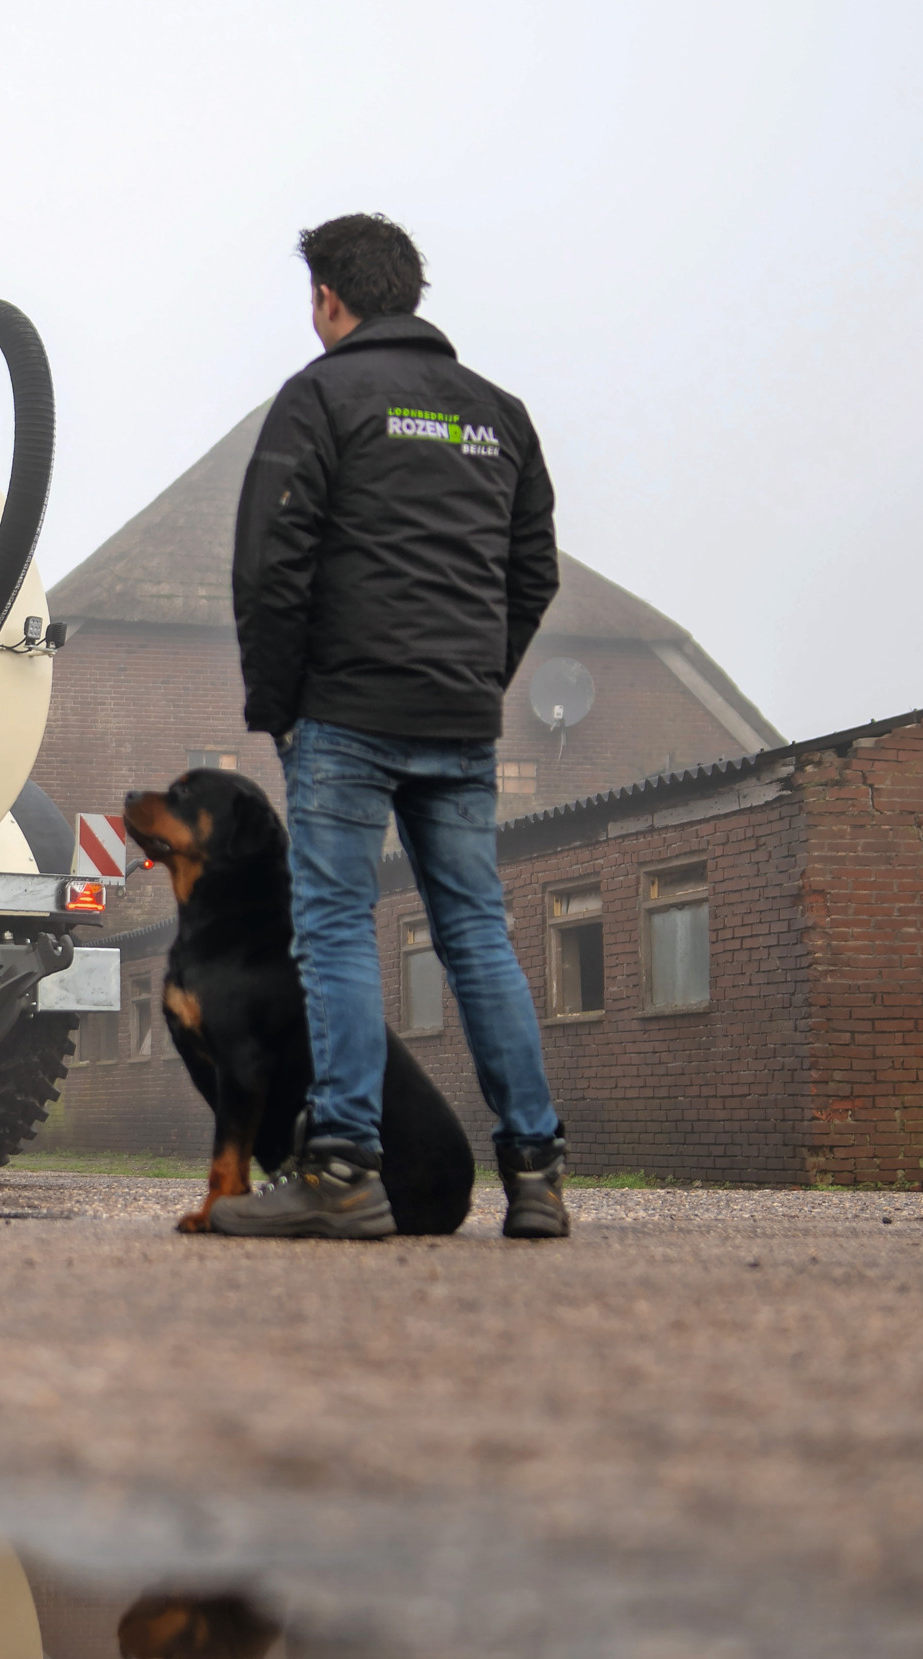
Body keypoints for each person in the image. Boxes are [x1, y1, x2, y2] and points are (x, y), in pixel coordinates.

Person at [214, 213, 569, 1241]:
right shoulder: (499, 414)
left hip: (345, 713)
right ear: (409, 292)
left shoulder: (320, 397)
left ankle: (341, 1171)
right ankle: (537, 1176)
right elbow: (532, 569)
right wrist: (474, 676)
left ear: (330, 299)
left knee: (332, 927)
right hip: (457, 718)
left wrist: (277, 706)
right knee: (475, 932)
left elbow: (267, 564)